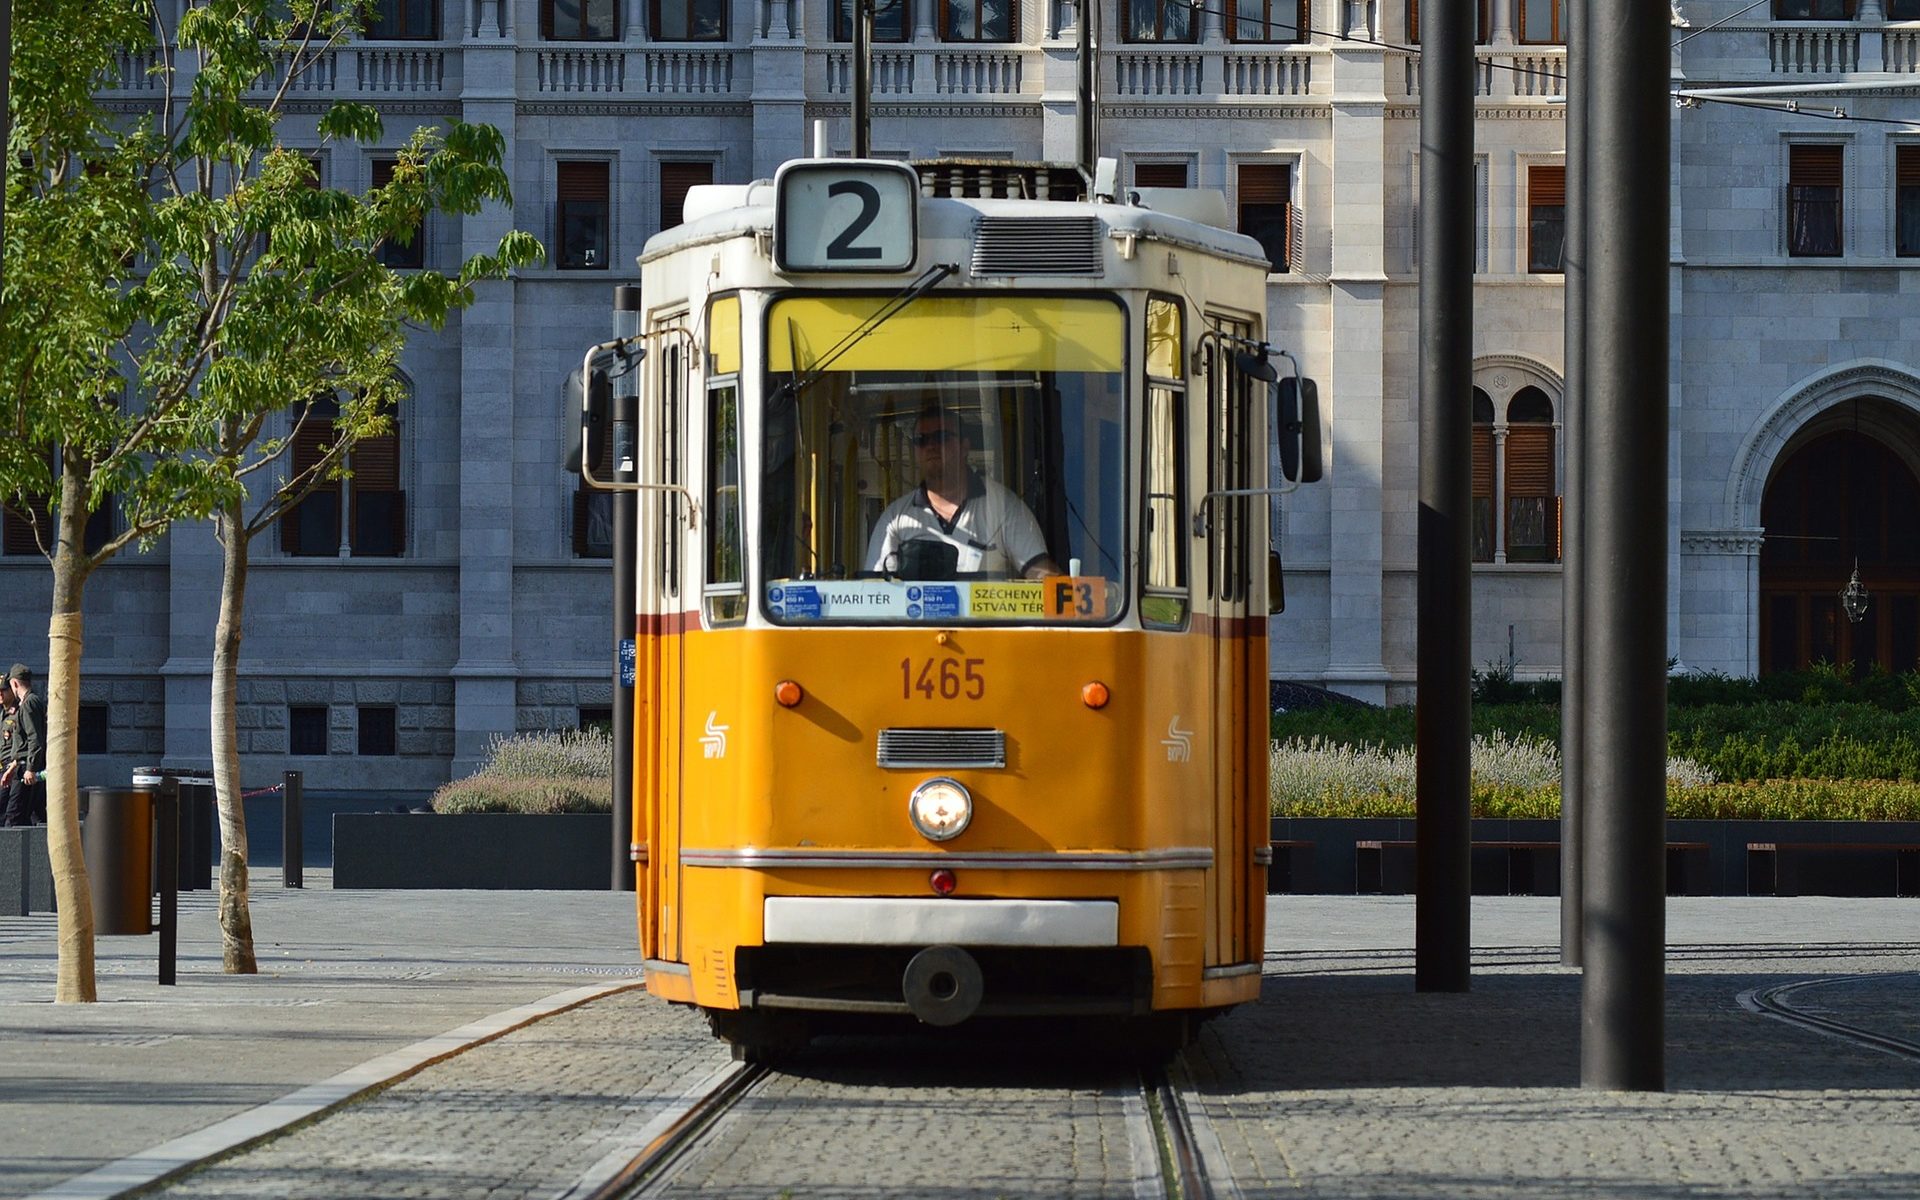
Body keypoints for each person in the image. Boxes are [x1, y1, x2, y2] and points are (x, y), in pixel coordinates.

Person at [865, 408, 1062, 580]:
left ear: (965, 446)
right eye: (921, 440)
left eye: (941, 437)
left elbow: (1043, 575)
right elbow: (875, 591)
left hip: (987, 623)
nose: (931, 446)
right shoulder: (896, 517)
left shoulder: (1004, 507)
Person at [1, 664, 46, 827]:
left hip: (26, 768)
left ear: (14, 684)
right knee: (29, 814)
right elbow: (23, 745)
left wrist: (31, 768)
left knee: (13, 816)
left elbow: (35, 738)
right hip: (20, 766)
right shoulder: (28, 702)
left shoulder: (28, 703)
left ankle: (8, 852)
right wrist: (12, 768)